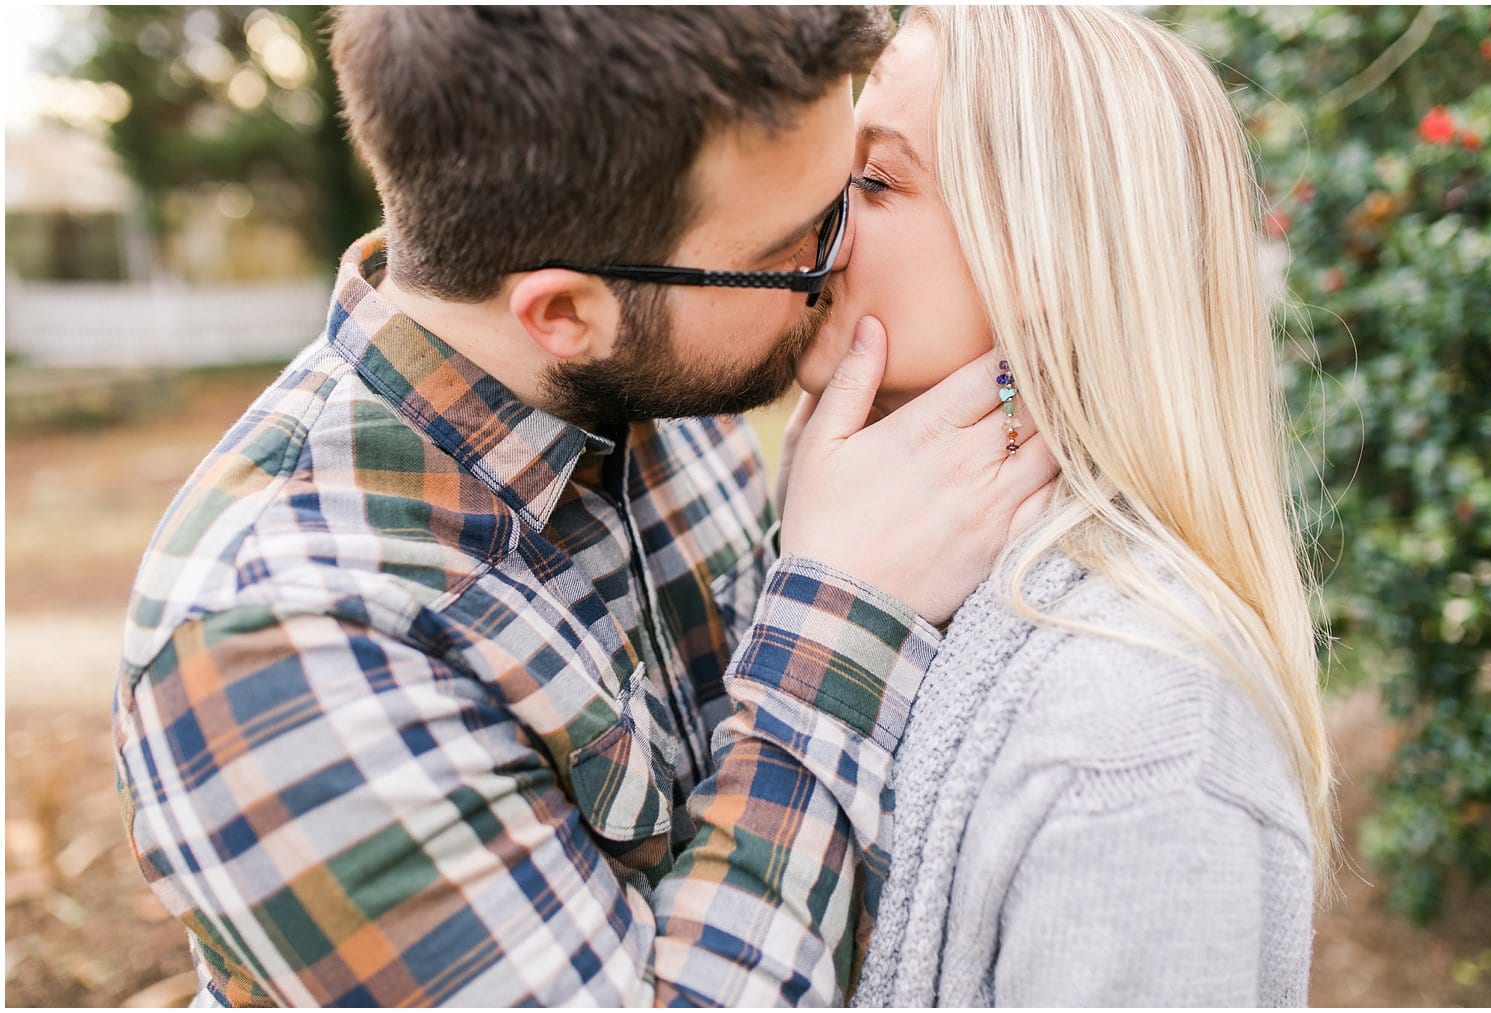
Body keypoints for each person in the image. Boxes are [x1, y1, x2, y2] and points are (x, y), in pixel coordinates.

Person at [110, 7, 1056, 1008]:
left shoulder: (658, 386)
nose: (836, 262)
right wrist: (843, 618)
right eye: (801, 238)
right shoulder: (280, 642)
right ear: (564, 312)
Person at [788, 6, 1336, 1006]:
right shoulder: (889, 564)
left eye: (874, 179)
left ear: (1040, 259)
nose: (813, 209)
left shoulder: (1139, 741)